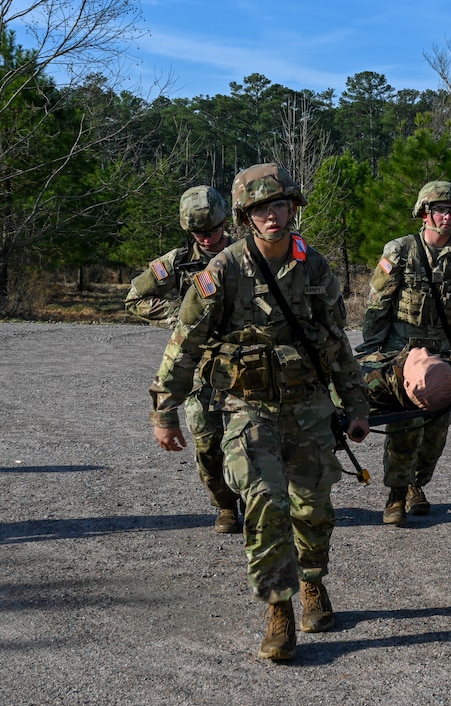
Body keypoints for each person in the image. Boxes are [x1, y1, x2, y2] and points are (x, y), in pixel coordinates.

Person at [148, 163, 371, 662]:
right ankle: (279, 606)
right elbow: (185, 344)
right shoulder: (222, 270)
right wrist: (165, 411)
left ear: (294, 207)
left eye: (281, 205)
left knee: (314, 508)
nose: (273, 215)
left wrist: (355, 403)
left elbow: (335, 341)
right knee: (266, 501)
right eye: (261, 208)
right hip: (248, 406)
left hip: (309, 406)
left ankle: (312, 581)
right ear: (246, 215)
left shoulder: (314, 266)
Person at [357, 181, 451, 527]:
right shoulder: (401, 252)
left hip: (445, 355)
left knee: (435, 431)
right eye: (440, 210)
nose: (447, 217)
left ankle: (418, 483)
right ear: (424, 213)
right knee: (407, 425)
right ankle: (396, 494)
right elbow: (377, 305)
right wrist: (376, 355)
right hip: (401, 354)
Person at [126, 186, 242, 534]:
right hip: (197, 365)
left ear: (226, 222)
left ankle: (257, 500)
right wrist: (179, 315)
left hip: (244, 362)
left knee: (252, 439)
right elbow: (135, 298)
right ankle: (224, 504)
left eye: (214, 230)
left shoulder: (245, 255)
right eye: (199, 233)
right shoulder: (178, 262)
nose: (207, 238)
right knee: (207, 443)